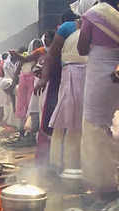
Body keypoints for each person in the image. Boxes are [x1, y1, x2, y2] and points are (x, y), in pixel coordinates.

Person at [35, 0, 96, 173]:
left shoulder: (100, 26)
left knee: (90, 123)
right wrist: (43, 78)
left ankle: (89, 167)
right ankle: (61, 165)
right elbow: (52, 55)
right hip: (70, 78)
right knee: (67, 121)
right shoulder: (67, 27)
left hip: (92, 76)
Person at [77, 0, 119, 204]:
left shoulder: (94, 14)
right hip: (116, 76)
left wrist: (82, 27)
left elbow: (82, 48)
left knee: (95, 128)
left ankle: (104, 188)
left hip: (101, 74)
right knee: (111, 127)